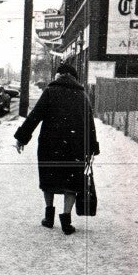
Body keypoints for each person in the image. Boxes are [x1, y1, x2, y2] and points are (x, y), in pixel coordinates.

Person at [14, 63, 99, 235]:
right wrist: (92, 148)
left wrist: (21, 138)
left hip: (49, 145)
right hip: (75, 147)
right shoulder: (82, 95)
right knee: (72, 184)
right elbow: (90, 124)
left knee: (49, 180)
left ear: (58, 76)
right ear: (74, 78)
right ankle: (66, 221)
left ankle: (49, 217)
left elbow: (34, 116)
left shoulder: (50, 92)